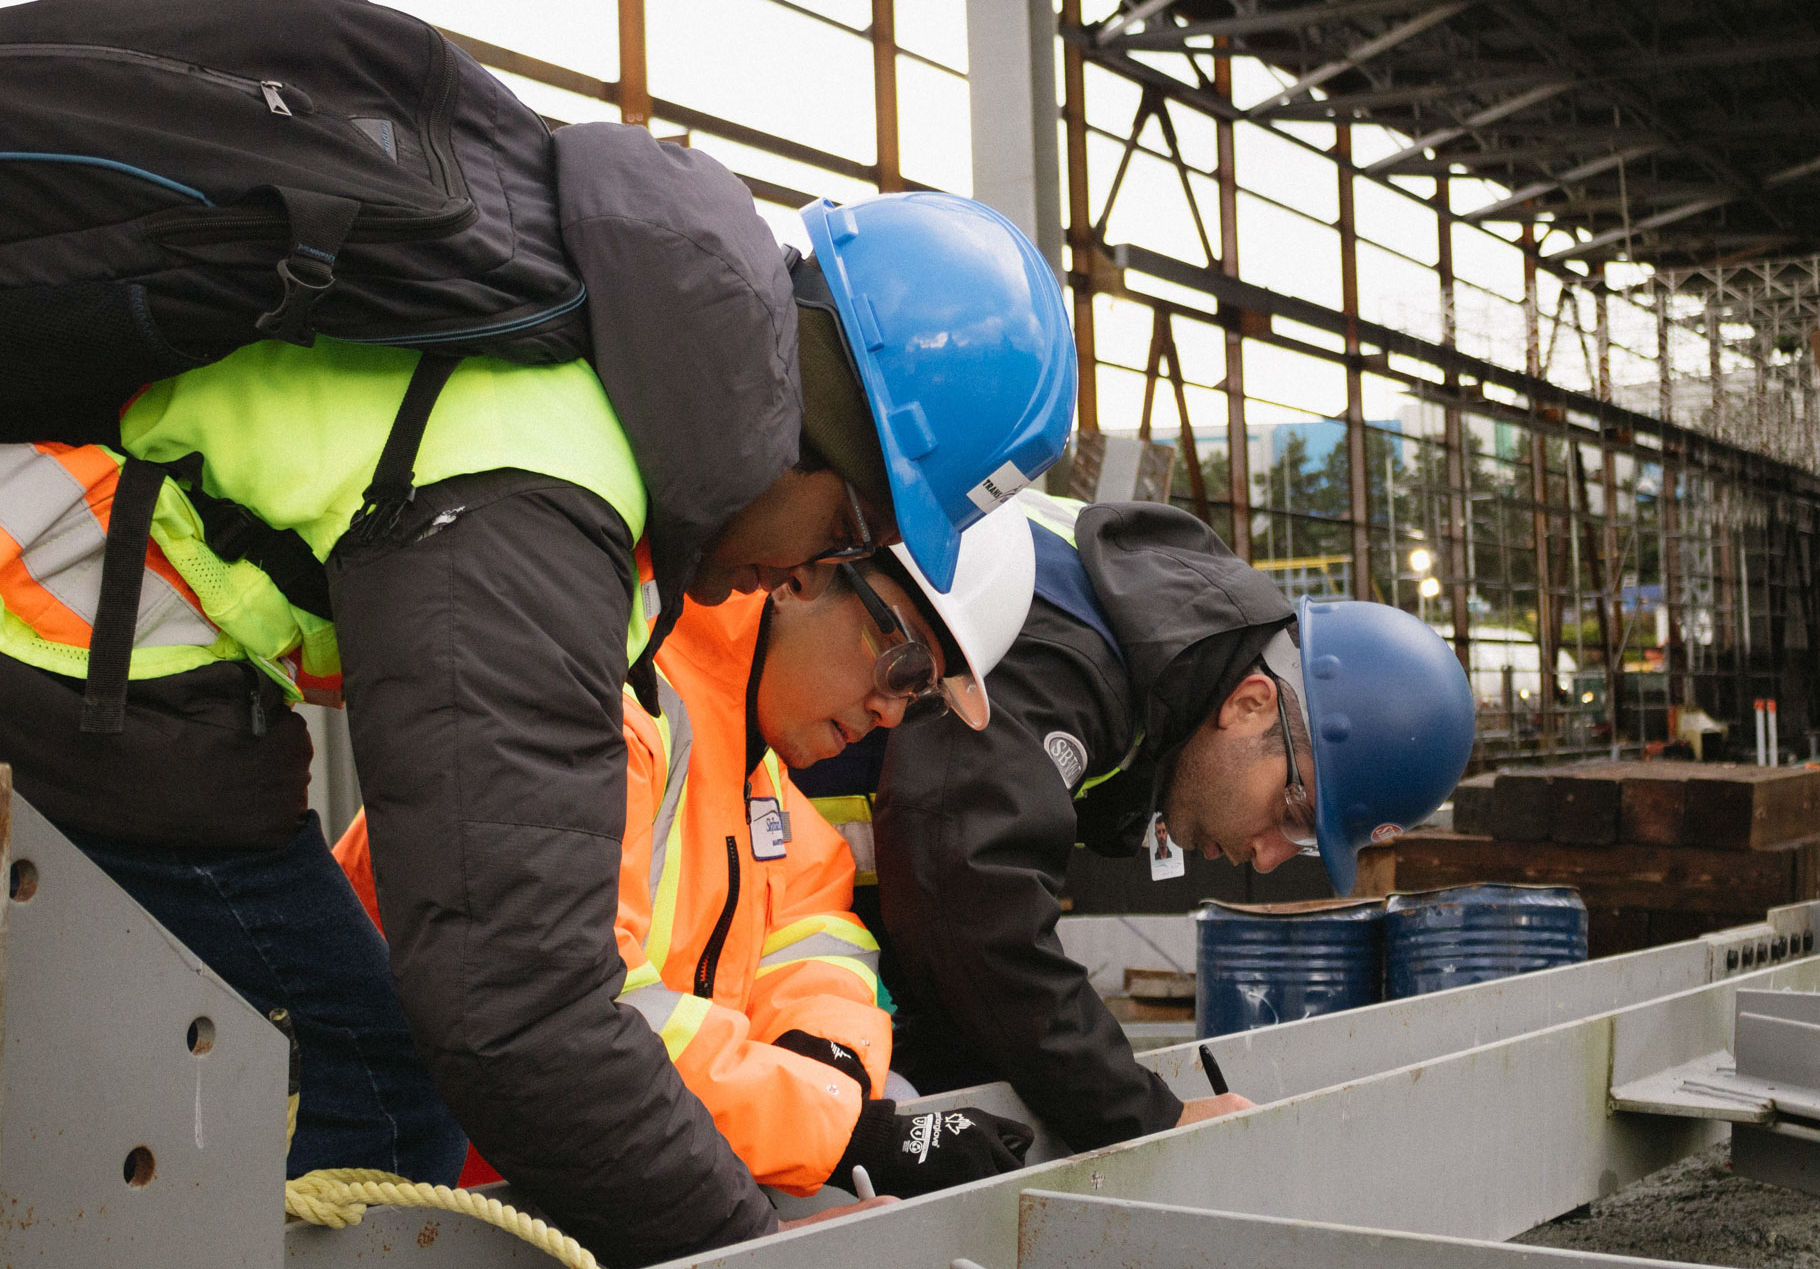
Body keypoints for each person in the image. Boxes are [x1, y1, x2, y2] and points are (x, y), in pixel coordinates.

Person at [0, 144, 1074, 1266]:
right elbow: (520, 1011)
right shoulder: (557, 526)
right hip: (67, 637)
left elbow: (813, 935)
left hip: (153, 668)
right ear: (831, 497)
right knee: (358, 1075)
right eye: (855, 542)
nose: (897, 712)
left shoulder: (597, 443)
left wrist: (846, 1101)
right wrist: (760, 1233)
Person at [334, 505, 1040, 1197]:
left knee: (876, 1117)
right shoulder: (613, 718)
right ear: (802, 578)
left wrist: (823, 1078)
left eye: (920, 694)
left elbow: (824, 944)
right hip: (451, 1156)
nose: (891, 711)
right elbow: (580, 1021)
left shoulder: (754, 776)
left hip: (597, 1145)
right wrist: (842, 1133)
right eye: (902, 661)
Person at [791, 491, 1476, 1155]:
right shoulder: (1068, 648)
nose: (1266, 858)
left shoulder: (1138, 621)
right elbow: (966, 897)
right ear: (1251, 703)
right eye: (1291, 815)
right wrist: (1146, 1119)